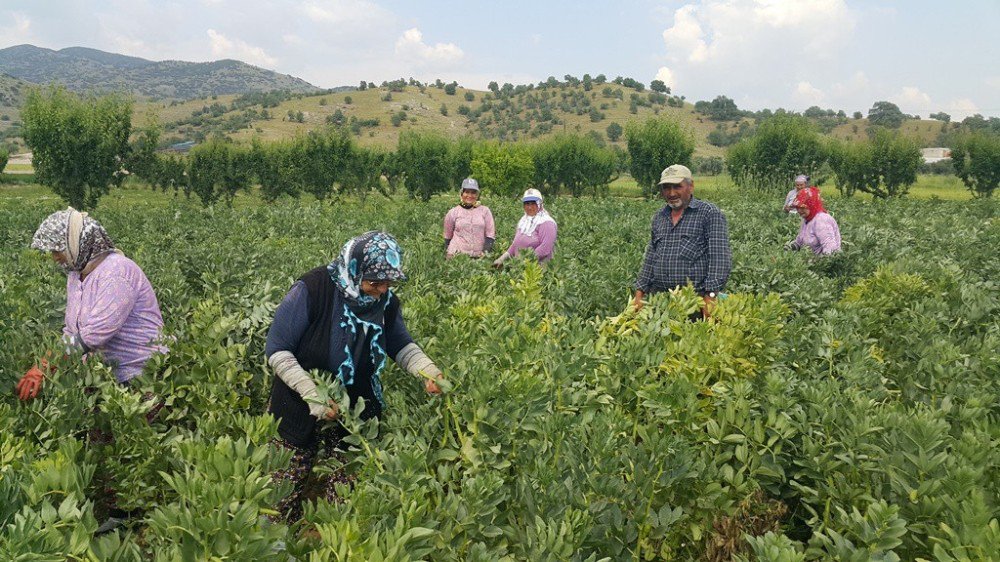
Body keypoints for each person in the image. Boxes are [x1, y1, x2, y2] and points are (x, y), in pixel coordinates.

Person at [264, 231, 446, 522]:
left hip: (355, 405)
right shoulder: (312, 290)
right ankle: (278, 541)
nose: (382, 290)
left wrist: (428, 370)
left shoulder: (385, 302)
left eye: (388, 283)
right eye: (374, 282)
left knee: (348, 490)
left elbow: (401, 344)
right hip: (297, 401)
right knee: (283, 486)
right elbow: (277, 350)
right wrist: (312, 394)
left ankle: (340, 541)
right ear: (353, 269)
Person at [18, 207, 167, 534]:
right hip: (102, 374)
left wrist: (44, 366)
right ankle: (114, 506)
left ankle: (129, 519)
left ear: (75, 242)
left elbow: (93, 335)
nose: (54, 257)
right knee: (104, 443)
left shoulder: (117, 273)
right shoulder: (78, 274)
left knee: (129, 445)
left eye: (57, 249)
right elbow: (71, 330)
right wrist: (47, 363)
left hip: (138, 373)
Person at [633, 164, 731, 317]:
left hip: (695, 302)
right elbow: (651, 258)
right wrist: (639, 293)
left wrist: (711, 296)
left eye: (677, 186)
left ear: (691, 186)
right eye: (666, 187)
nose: (671, 193)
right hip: (660, 301)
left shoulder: (708, 213)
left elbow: (719, 259)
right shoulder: (660, 217)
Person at [492, 188, 557, 268]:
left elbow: (545, 248)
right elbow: (515, 244)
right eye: (527, 203)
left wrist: (523, 262)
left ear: (539, 204)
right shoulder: (523, 221)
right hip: (520, 268)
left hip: (536, 271)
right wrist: (502, 259)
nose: (529, 207)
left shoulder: (546, 222)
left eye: (533, 203)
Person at [443, 178, 496, 258]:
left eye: (473, 193)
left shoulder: (485, 211)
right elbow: (447, 236)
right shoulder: (453, 212)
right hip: (457, 256)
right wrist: (450, 252)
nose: (470, 196)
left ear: (477, 195)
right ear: (462, 193)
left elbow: (490, 234)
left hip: (479, 257)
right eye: (467, 192)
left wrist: (485, 251)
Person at [786, 188, 841, 255]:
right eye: (798, 207)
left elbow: (831, 248)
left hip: (823, 262)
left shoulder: (821, 220)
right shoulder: (807, 218)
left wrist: (819, 262)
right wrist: (787, 248)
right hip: (810, 260)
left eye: (803, 207)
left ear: (811, 205)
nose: (799, 211)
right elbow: (800, 241)